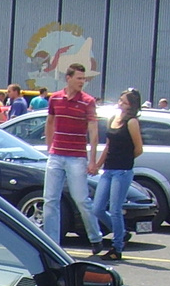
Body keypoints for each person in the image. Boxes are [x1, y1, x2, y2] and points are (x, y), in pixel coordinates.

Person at [43, 64, 104, 255]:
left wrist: (92, 160)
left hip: (76, 156)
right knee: (50, 200)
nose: (82, 82)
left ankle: (95, 237)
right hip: (56, 154)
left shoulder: (87, 101)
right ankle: (52, 243)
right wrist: (50, 147)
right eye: (78, 78)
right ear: (68, 78)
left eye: (83, 79)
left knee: (81, 200)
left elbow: (93, 131)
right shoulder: (55, 98)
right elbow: (50, 122)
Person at [94, 88, 143, 262]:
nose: (120, 103)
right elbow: (108, 145)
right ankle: (121, 233)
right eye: (120, 100)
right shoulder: (113, 119)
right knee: (97, 208)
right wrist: (97, 164)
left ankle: (117, 247)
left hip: (122, 171)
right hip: (108, 170)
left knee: (115, 209)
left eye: (124, 101)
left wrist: (125, 160)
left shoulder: (132, 122)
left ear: (131, 105)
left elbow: (138, 148)